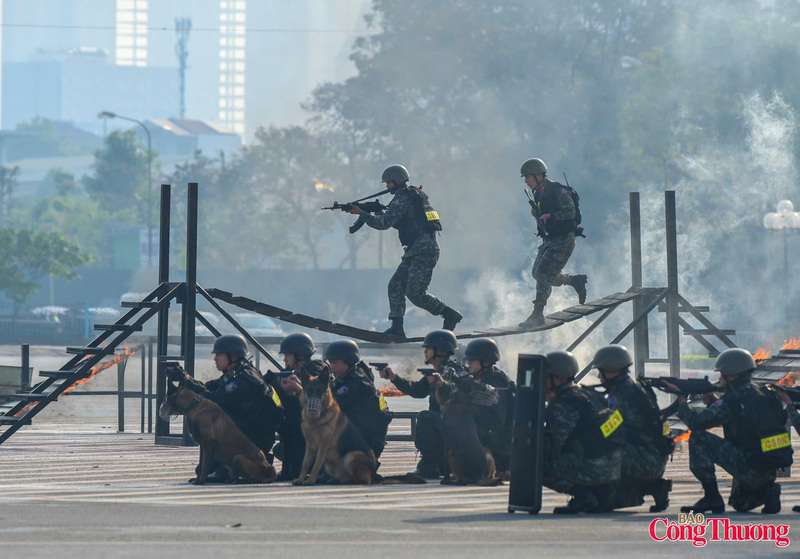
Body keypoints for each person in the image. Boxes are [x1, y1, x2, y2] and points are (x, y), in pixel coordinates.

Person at [667, 348, 792, 514]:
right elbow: (744, 419)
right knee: (739, 504)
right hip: (768, 469)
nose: (719, 378)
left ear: (732, 375)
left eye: (721, 374)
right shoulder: (762, 393)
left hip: (749, 465)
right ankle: (768, 491)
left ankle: (712, 497)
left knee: (698, 437)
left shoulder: (732, 399)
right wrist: (715, 403)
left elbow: (696, 423)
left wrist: (682, 400)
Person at [347, 164, 462, 337]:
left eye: (388, 183)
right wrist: (376, 214)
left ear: (397, 181)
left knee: (415, 294)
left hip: (424, 250)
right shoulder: (411, 195)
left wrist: (361, 213)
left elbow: (384, 224)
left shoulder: (403, 197)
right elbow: (406, 222)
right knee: (395, 286)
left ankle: (449, 315)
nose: (387, 186)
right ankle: (397, 327)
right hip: (415, 250)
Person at [184, 334, 283, 483]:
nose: (215, 359)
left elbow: (214, 399)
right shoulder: (237, 373)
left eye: (219, 354)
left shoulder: (243, 379)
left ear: (233, 356)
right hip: (247, 432)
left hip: (254, 438)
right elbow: (209, 388)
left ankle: (226, 468)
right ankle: (219, 467)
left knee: (216, 417)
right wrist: (187, 380)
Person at [592, 345, 673, 512]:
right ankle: (651, 487)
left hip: (643, 460)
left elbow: (607, 431)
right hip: (653, 457)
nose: (599, 376)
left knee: (597, 448)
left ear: (611, 370)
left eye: (601, 371)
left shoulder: (621, 396)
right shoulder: (637, 387)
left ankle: (628, 490)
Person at [378, 329, 468, 478]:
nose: (425, 352)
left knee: (425, 417)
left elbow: (460, 390)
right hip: (443, 431)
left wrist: (442, 384)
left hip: (456, 426)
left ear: (440, 351)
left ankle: (430, 465)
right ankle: (432, 463)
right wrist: (394, 377)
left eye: (429, 348)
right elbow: (416, 391)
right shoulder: (434, 373)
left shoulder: (456, 372)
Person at [543, 350, 623, 514]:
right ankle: (599, 494)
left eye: (546, 376)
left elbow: (553, 445)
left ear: (559, 378)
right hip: (614, 467)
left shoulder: (564, 403)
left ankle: (582, 496)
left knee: (535, 462)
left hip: (594, 467)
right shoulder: (587, 394)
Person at [518, 158, 587, 328]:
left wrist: (552, 216)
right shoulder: (538, 193)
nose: (526, 181)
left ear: (539, 175)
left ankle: (537, 314)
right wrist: (537, 213)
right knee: (537, 273)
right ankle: (573, 281)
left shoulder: (558, 190)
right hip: (550, 239)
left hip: (564, 240)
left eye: (528, 177)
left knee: (543, 273)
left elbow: (570, 212)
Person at [435, 338, 514, 474]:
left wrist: (467, 411)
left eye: (473, 360)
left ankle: (472, 468)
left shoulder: (496, 381)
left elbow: (497, 420)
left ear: (486, 361)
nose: (469, 363)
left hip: (499, 442)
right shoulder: (477, 378)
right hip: (490, 438)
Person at [325, 339, 393, 459]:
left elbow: (330, 404)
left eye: (335, 362)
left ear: (348, 361)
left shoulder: (356, 384)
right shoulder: (354, 378)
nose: (332, 367)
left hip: (363, 447)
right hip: (360, 441)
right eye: (330, 363)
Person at [263, 332, 318, 481]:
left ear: (300, 355)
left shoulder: (316, 369)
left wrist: (298, 390)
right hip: (299, 430)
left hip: (317, 431)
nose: (284, 359)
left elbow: (320, 397)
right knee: (285, 434)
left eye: (288, 355)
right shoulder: (290, 373)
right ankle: (290, 469)